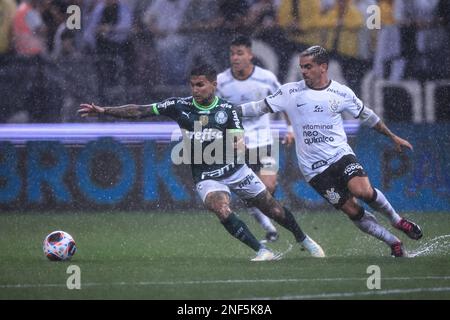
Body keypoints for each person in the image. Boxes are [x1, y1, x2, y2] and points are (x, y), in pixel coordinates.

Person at [78, 63, 325, 261]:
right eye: (193, 85)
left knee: (274, 209)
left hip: (236, 170)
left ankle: (303, 239)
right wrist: (104, 111)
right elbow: (139, 110)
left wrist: (239, 145)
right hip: (207, 175)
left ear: (214, 85)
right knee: (220, 208)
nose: (195, 90)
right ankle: (262, 251)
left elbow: (239, 139)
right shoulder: (179, 106)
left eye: (201, 85)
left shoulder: (228, 110)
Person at [238, 46, 423, 257]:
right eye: (301, 67)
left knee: (362, 191)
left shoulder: (341, 92)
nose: (304, 71)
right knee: (351, 210)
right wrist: (229, 110)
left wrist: (392, 136)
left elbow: (368, 116)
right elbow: (258, 107)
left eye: (308, 67)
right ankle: (393, 242)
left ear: (323, 67)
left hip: (340, 155)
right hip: (314, 170)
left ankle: (397, 220)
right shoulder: (290, 92)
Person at [217, 35, 295, 243]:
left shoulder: (266, 78)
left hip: (265, 143)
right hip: (237, 143)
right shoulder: (221, 81)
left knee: (268, 186)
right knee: (248, 191)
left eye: (240, 53)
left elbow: (283, 101)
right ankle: (270, 229)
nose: (235, 58)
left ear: (250, 55)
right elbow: (214, 109)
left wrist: (290, 128)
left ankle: (271, 225)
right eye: (232, 53)